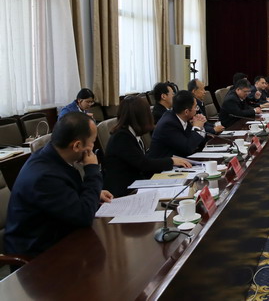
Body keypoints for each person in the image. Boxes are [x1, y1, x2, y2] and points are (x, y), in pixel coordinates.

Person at [4, 112, 113, 257]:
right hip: (36, 256)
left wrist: (93, 193)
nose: (92, 148)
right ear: (77, 145)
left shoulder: (52, 155)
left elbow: (64, 194)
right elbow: (84, 216)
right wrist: (92, 170)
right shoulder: (44, 177)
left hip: (58, 237)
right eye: (92, 142)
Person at [103, 96, 193, 197]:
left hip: (135, 184)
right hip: (123, 192)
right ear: (142, 116)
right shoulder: (122, 137)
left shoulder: (131, 133)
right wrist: (171, 161)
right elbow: (143, 164)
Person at [148, 90, 207, 159]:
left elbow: (197, 142)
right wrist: (197, 127)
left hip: (179, 160)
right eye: (195, 107)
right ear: (186, 112)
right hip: (163, 164)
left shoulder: (182, 117)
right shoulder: (168, 124)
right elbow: (188, 148)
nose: (197, 110)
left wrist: (200, 126)